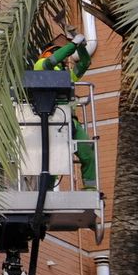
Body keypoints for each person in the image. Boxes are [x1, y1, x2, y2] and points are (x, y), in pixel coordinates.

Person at [33, 31, 97, 190]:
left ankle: (90, 188)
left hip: (70, 121)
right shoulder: (40, 65)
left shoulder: (65, 75)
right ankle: (46, 192)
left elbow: (84, 63)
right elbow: (53, 60)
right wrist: (73, 44)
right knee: (53, 160)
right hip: (52, 120)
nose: (63, 59)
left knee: (87, 151)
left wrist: (81, 47)